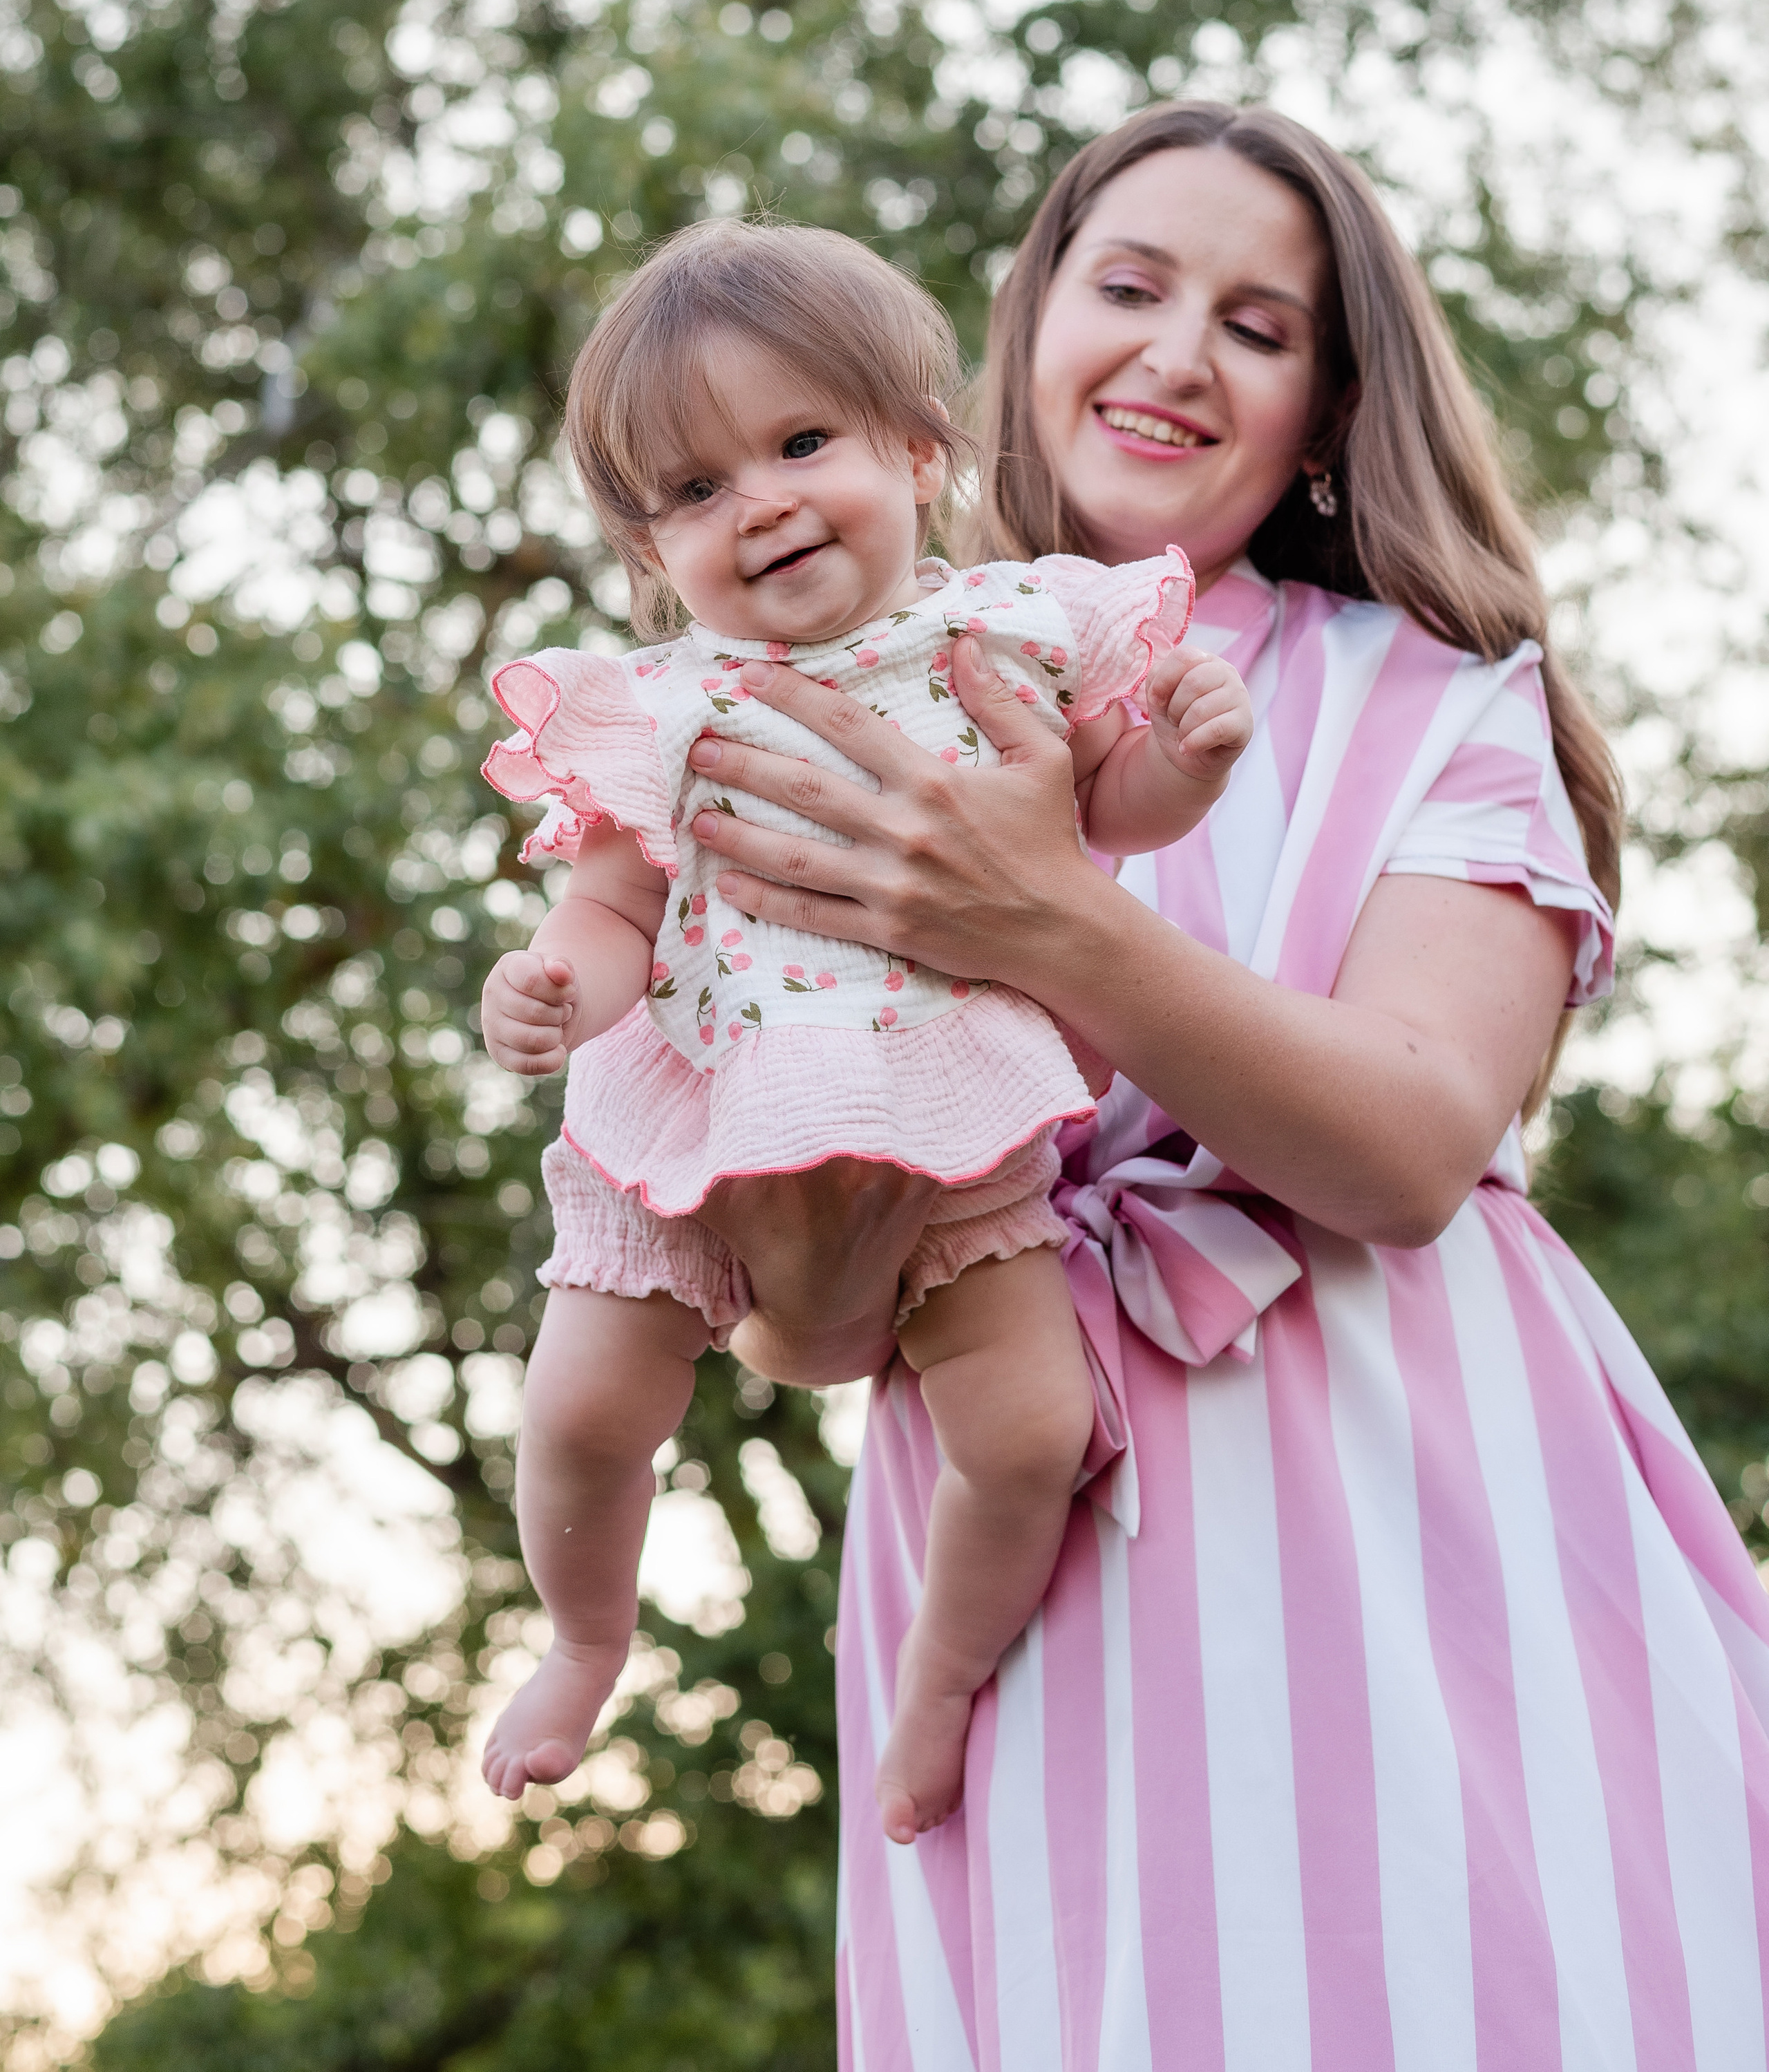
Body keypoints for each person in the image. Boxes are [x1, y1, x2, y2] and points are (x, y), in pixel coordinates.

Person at [679, 105, 1769, 2068]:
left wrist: (1042, 920)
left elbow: (1416, 1147)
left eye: (1259, 326)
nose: (1180, 351)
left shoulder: (1439, 700)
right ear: (1025, 337)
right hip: (1010, 1566)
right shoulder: (824, 706)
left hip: (1407, 1514)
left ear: (1331, 413)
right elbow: (801, 1316)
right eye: (1131, 286)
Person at [473, 219, 1254, 1836]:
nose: (753, 501)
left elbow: (1108, 815)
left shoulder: (1016, 634)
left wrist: (1184, 754)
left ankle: (940, 1683)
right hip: (695, 1105)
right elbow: (612, 908)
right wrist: (559, 988)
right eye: (691, 492)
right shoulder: (671, 705)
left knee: (1032, 1431)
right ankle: (583, 1635)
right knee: (582, 1407)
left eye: (798, 442)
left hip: (951, 1106)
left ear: (915, 450)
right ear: (649, 554)